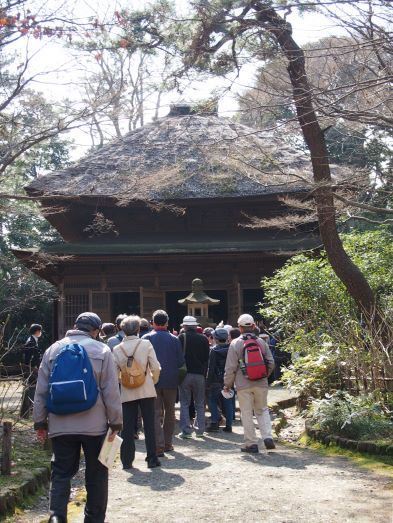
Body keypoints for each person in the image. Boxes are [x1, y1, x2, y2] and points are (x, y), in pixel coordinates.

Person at [33, 312, 122, 523]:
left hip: (60, 423)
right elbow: (111, 390)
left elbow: (42, 390)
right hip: (95, 425)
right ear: (96, 330)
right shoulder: (102, 350)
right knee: (97, 474)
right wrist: (116, 421)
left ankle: (56, 517)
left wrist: (40, 421)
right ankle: (94, 518)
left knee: (61, 473)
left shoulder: (53, 349)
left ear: (74, 326)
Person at [112, 315, 161, 469]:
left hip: (127, 390)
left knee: (126, 426)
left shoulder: (117, 349)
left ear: (122, 329)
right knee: (149, 424)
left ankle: (127, 461)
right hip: (146, 389)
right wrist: (152, 381)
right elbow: (155, 367)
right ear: (138, 329)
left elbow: (114, 374)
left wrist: (122, 382)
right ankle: (152, 458)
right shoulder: (146, 344)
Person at [224, 313, 276, 453]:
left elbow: (230, 368)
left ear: (239, 328)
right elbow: (271, 362)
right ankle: (267, 437)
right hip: (261, 383)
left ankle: (251, 443)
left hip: (243, 385)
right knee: (262, 410)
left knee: (246, 413)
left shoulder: (235, 344)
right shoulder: (261, 342)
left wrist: (227, 384)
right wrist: (263, 375)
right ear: (253, 326)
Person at [142, 310, 184, 455]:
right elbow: (180, 362)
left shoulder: (146, 338)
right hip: (171, 380)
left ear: (152, 322)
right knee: (170, 412)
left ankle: (158, 445)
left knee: (155, 413)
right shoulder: (175, 339)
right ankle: (167, 443)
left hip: (152, 380)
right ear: (167, 323)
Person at [178, 315, 210, 439]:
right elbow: (206, 357)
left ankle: (186, 430)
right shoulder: (203, 339)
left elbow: (178, 356)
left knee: (185, 402)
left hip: (185, 374)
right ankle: (200, 430)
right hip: (199, 375)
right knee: (200, 403)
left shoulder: (181, 337)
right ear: (195, 326)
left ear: (185, 326)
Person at [206, 328, 234, 433]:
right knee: (228, 402)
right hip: (229, 379)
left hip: (215, 381)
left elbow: (211, 367)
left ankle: (214, 422)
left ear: (216, 339)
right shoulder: (231, 349)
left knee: (212, 400)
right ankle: (229, 425)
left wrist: (208, 382)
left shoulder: (213, 350)